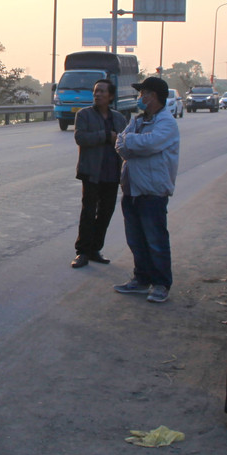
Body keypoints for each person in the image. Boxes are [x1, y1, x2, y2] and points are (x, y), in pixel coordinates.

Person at [112, 76, 180, 304]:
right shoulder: (138, 121)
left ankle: (160, 284)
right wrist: (132, 142)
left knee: (155, 240)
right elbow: (120, 145)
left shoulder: (167, 123)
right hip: (131, 188)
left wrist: (130, 141)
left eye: (144, 93)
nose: (140, 97)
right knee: (136, 239)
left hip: (152, 191)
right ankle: (141, 279)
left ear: (155, 97)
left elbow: (151, 144)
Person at [71, 79, 128, 268]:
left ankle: (95, 248)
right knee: (88, 212)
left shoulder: (119, 118)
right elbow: (80, 137)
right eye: (96, 91)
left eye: (102, 91)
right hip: (91, 172)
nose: (98, 94)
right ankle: (82, 252)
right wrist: (105, 136)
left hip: (112, 173)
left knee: (106, 212)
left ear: (111, 96)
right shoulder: (84, 115)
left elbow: (125, 141)